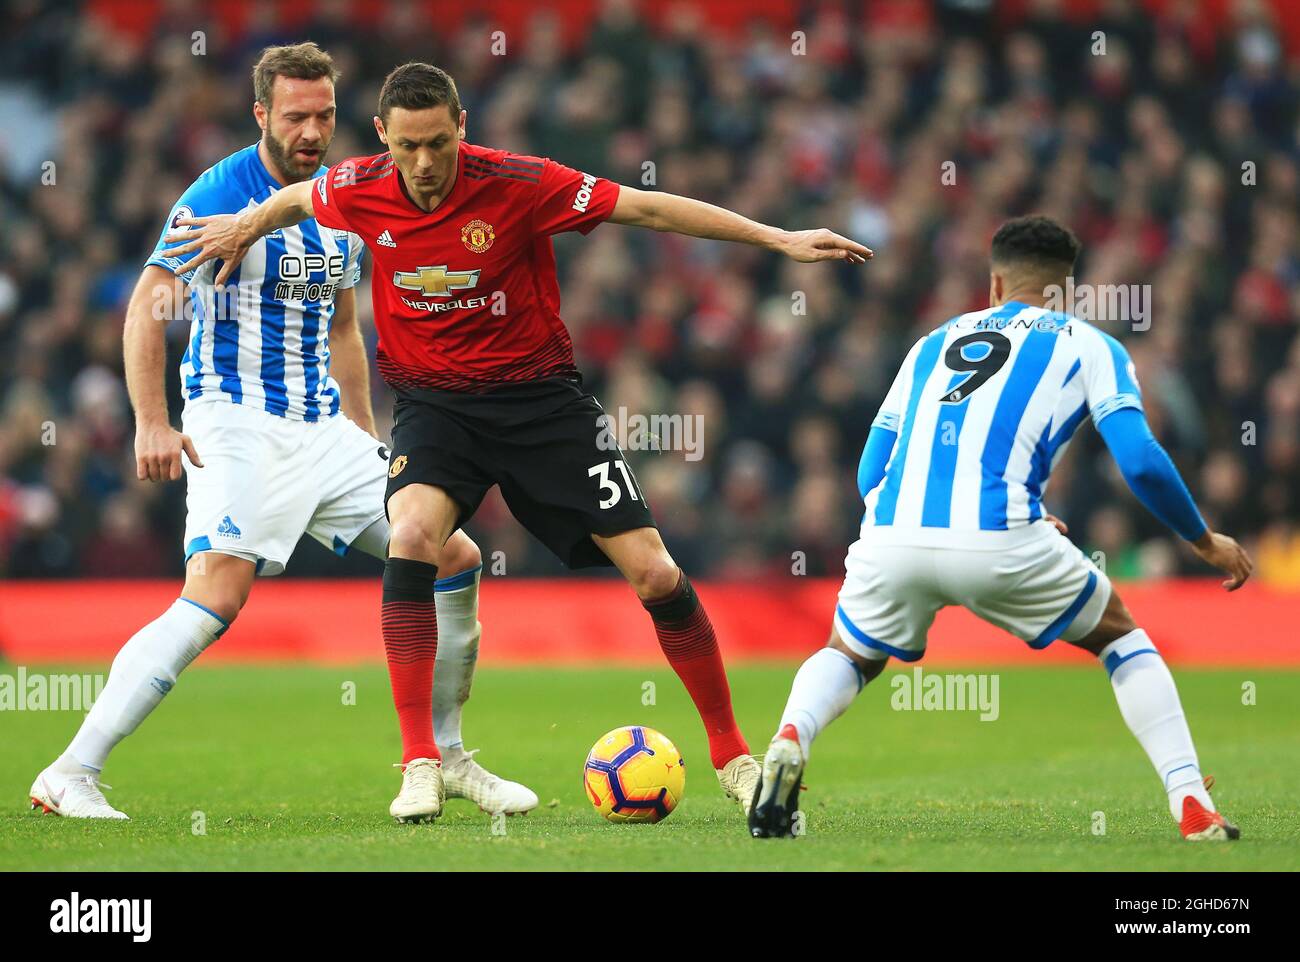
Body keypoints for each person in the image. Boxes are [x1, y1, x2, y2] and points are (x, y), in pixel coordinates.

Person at [165, 61, 873, 821]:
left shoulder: (520, 182)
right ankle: (419, 764)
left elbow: (650, 210)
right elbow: (299, 196)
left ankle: (732, 755)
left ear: (462, 127)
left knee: (656, 575)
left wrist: (778, 239)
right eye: (409, 147)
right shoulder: (356, 185)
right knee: (411, 535)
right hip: (438, 410)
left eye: (439, 142)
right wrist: (244, 224)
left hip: (542, 405)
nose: (426, 164)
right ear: (382, 139)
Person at [29, 44, 534, 824]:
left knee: (452, 553)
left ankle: (447, 757)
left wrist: (368, 439)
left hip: (323, 428)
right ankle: (72, 770)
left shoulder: (343, 198)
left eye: (324, 115)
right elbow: (146, 306)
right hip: (236, 423)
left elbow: (341, 328)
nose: (310, 131)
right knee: (218, 594)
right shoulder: (219, 194)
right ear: (261, 113)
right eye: (295, 116)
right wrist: (153, 421)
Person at [749, 215, 1252, 842]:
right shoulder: (1091, 345)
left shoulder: (933, 343)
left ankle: (792, 734)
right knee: (1121, 639)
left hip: (892, 533)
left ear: (994, 283)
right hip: (1000, 537)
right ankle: (1190, 804)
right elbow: (1142, 459)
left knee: (848, 653)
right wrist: (1205, 540)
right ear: (1064, 290)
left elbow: (869, 470)